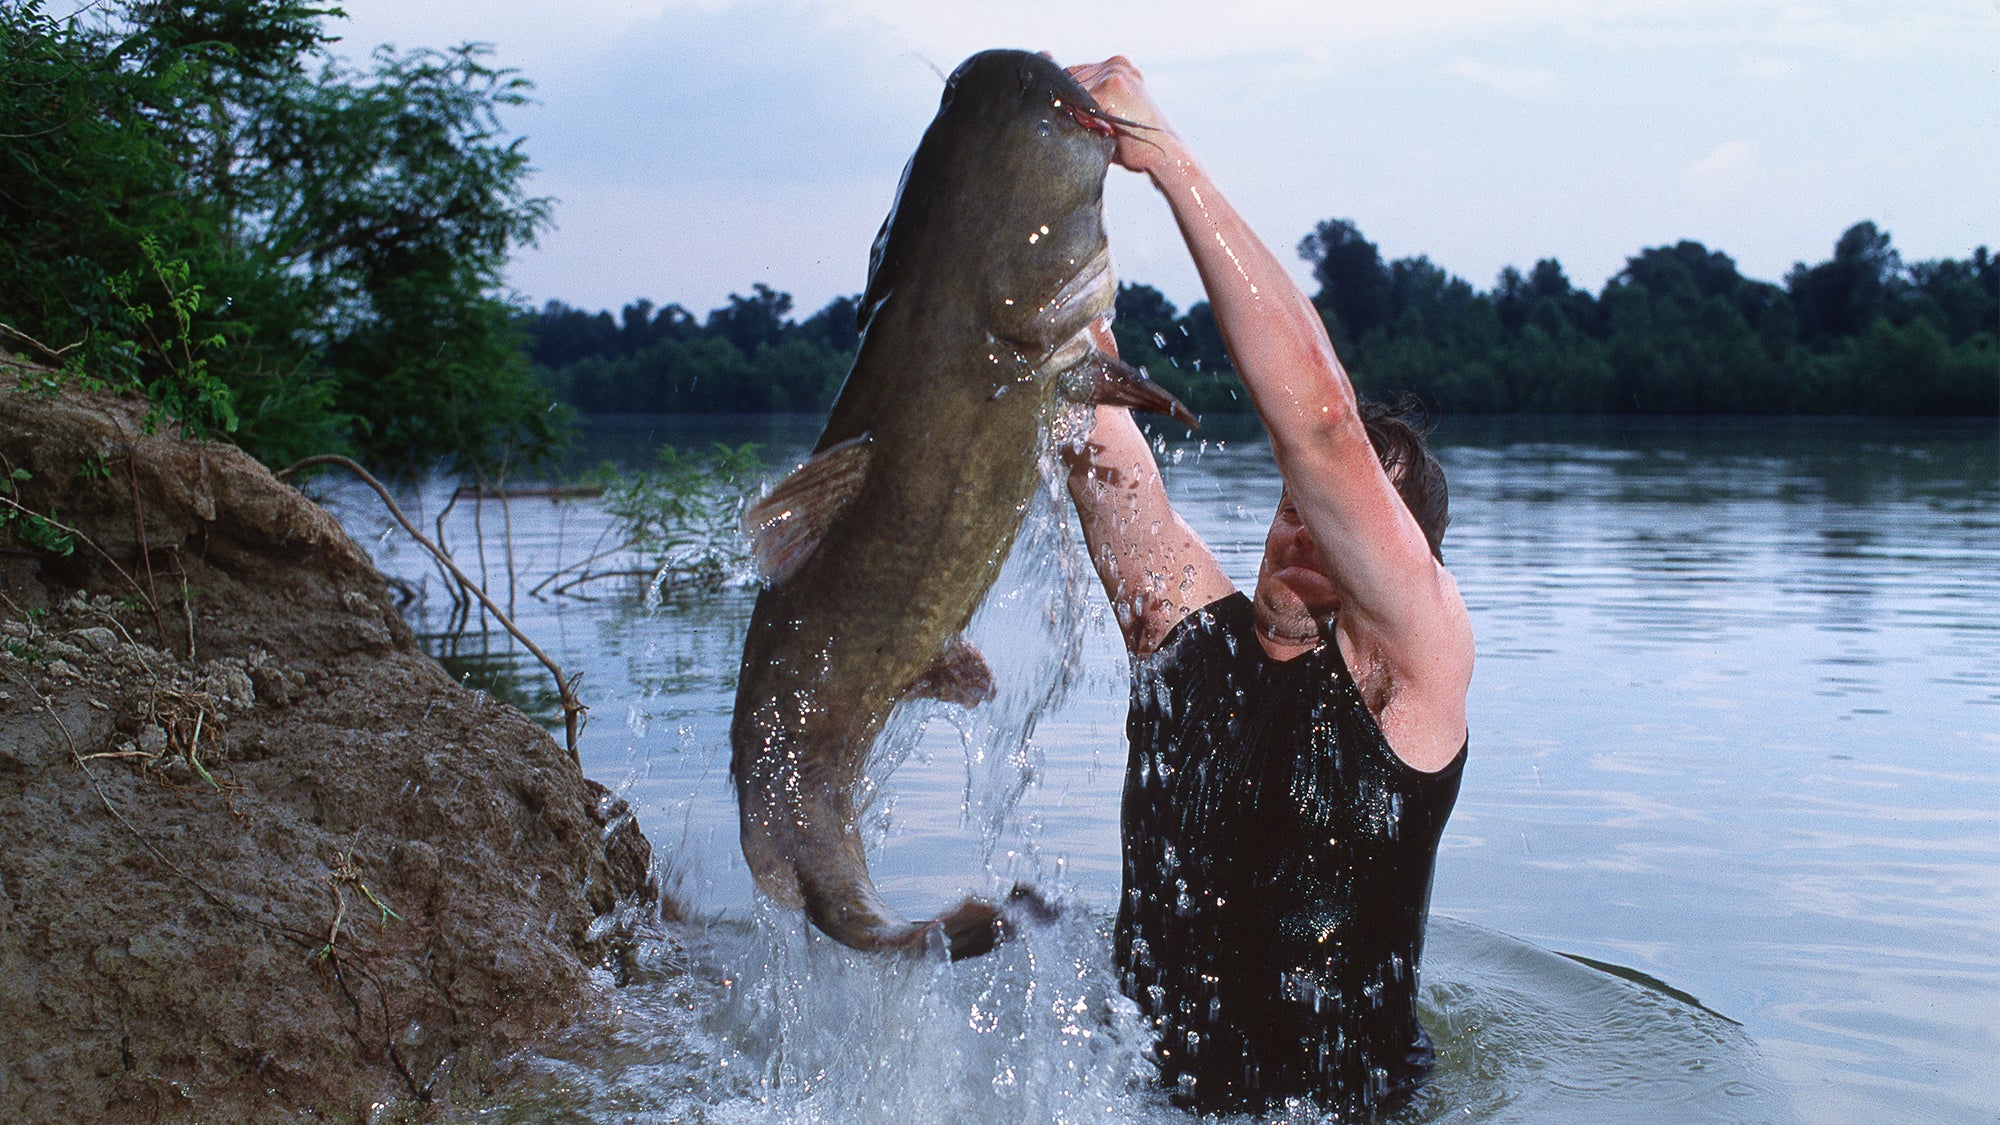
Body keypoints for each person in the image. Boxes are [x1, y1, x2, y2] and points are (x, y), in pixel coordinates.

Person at [1060, 57, 1476, 1116]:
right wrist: (1039, 183)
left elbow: (1323, 428)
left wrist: (1162, 160)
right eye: (1296, 501)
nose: (1309, 527)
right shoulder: (1180, 638)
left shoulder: (1413, 672)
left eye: (1344, 520)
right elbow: (1079, 417)